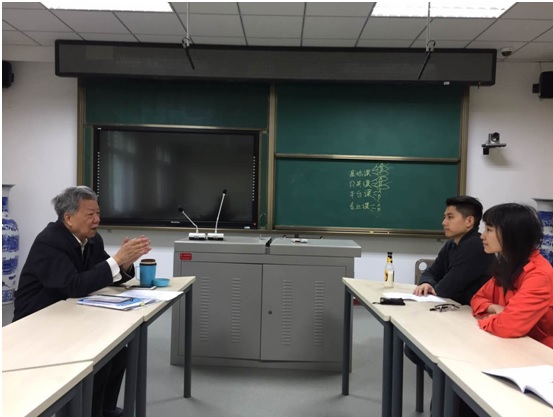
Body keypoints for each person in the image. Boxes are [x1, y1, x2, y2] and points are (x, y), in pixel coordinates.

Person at [13, 186, 152, 417]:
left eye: (98, 213)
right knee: (98, 360)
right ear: (68, 218)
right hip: (38, 322)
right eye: (90, 214)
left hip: (69, 315)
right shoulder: (49, 241)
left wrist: (125, 262)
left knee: (118, 353)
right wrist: (117, 260)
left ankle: (104, 409)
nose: (97, 220)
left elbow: (103, 274)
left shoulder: (92, 240)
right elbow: (74, 285)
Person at [471, 203, 553, 349]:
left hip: (540, 351)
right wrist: (494, 308)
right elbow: (477, 299)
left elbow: (507, 326)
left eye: (489, 230)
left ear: (512, 234)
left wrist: (491, 320)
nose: (482, 236)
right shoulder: (508, 265)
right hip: (513, 346)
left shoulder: (539, 275)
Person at [413, 195, 493, 304]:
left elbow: (445, 290)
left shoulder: (476, 246)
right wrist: (426, 283)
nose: (444, 222)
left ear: (469, 221)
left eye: (450, 217)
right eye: (445, 217)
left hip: (472, 311)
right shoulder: (452, 244)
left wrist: (434, 287)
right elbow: (431, 272)